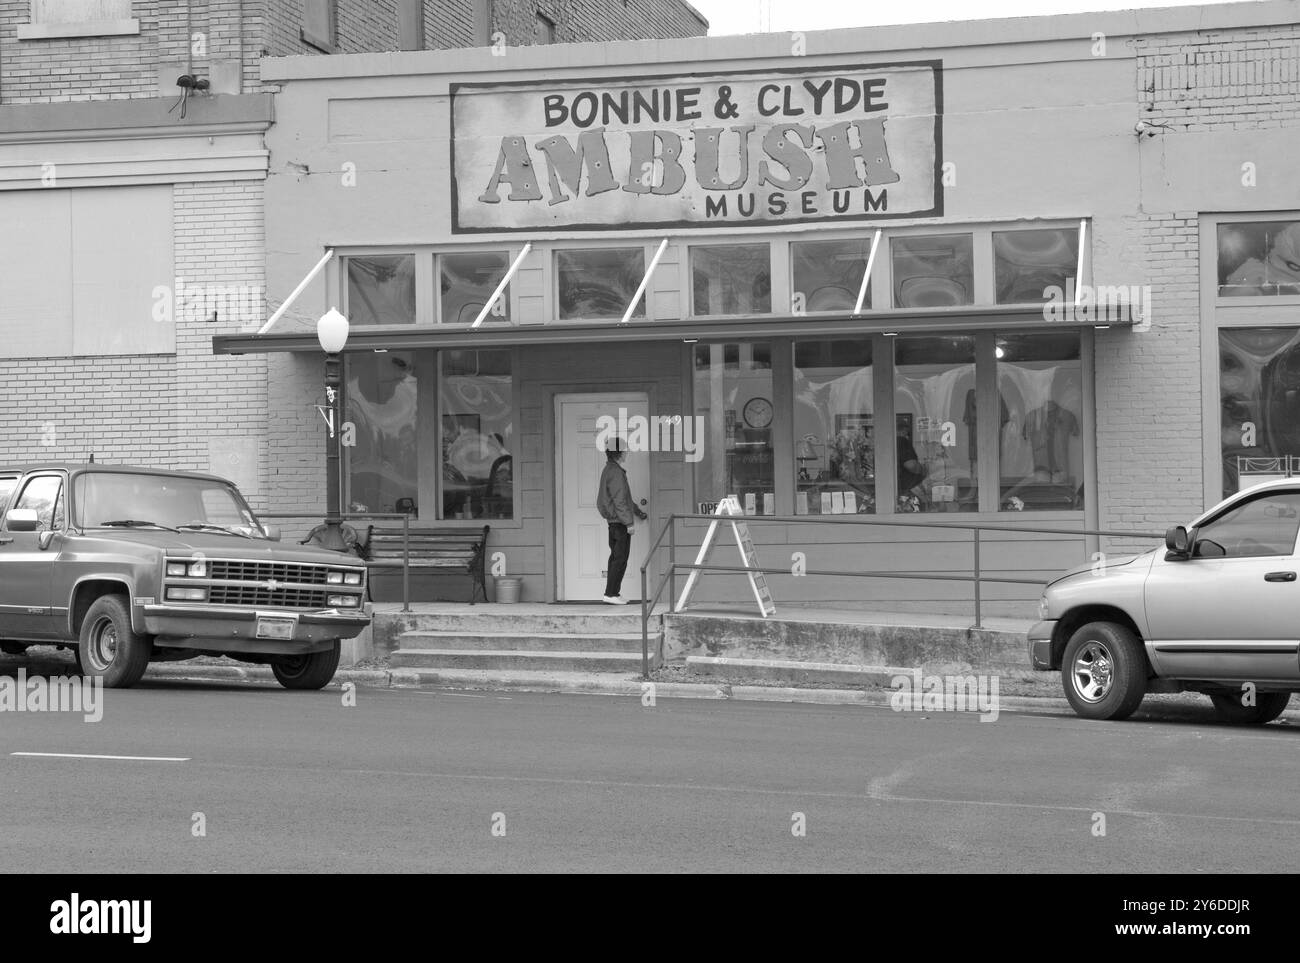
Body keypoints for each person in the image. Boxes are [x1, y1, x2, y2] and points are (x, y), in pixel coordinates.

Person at [596, 437, 647, 604]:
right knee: (620, 558)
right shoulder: (616, 473)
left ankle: (612, 593)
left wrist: (638, 512)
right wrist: (629, 523)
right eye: (625, 449)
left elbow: (624, 498)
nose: (627, 452)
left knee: (616, 558)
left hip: (614, 522)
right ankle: (611, 594)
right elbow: (619, 501)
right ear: (619, 452)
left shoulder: (610, 470)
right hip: (619, 523)